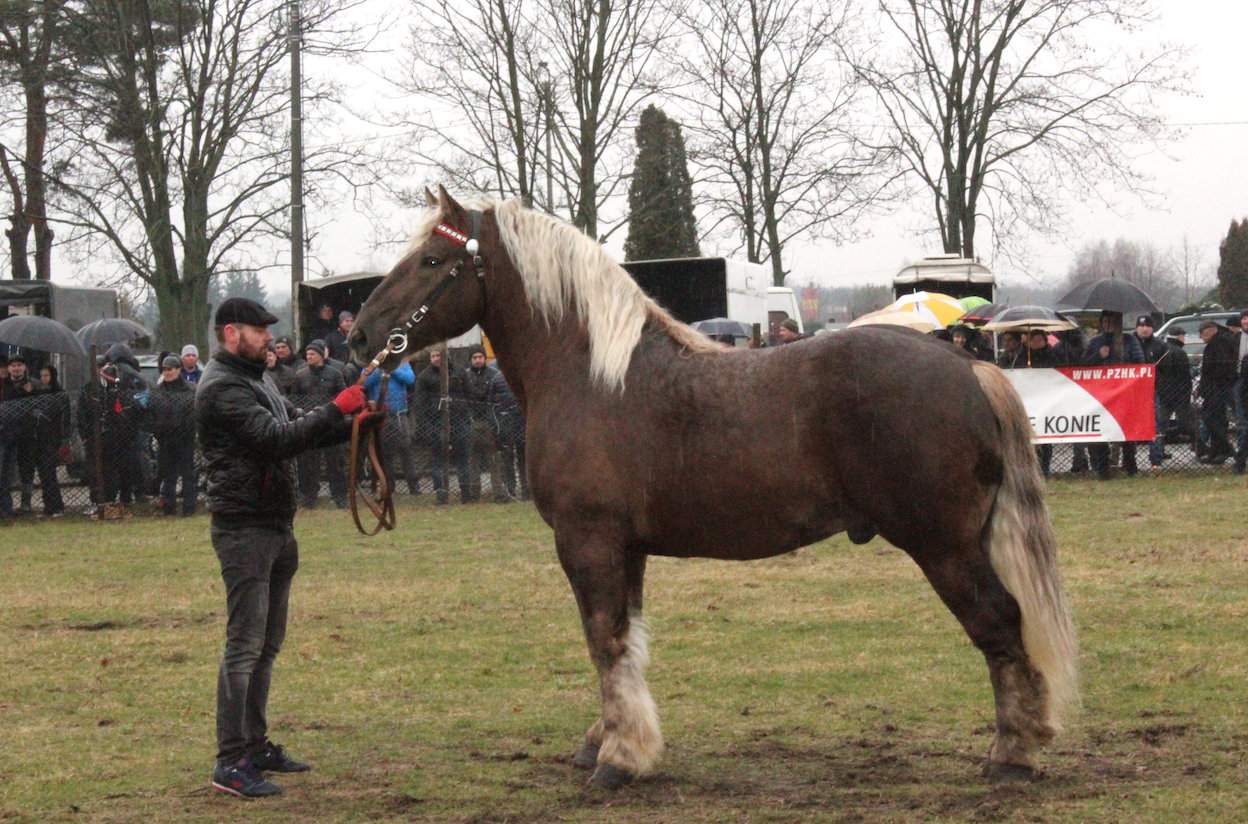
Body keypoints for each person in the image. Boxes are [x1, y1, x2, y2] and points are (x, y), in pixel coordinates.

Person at [197, 297, 379, 799]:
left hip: (274, 525)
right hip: (244, 530)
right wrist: (336, 408)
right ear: (232, 333)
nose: (269, 340)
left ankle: (254, 745)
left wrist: (355, 423)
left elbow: (299, 425)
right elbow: (276, 439)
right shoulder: (222, 389)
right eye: (259, 332)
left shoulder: (258, 379)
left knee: (266, 645)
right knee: (244, 646)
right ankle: (229, 760)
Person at [292, 340, 347, 508]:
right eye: (307, 354)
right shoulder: (300, 375)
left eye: (312, 354)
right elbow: (294, 399)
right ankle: (309, 497)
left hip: (331, 425)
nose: (309, 357)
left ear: (321, 355)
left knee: (335, 462)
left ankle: (339, 497)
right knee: (310, 464)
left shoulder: (335, 374)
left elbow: (343, 396)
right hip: (310, 423)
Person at [414, 349, 469, 504]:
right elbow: (419, 404)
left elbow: (468, 393)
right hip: (435, 423)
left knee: (462, 458)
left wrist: (464, 413)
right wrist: (426, 426)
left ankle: (466, 492)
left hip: (459, 420)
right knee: (438, 460)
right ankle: (441, 494)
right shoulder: (424, 376)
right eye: (434, 356)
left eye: (439, 355)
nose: (437, 358)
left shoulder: (459, 371)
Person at [149, 355, 198, 516]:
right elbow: (152, 415)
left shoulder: (191, 390)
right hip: (165, 439)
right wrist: (159, 432)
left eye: (170, 369)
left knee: (187, 474)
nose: (167, 372)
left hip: (185, 439)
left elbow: (194, 415)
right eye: (164, 369)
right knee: (168, 474)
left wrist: (186, 430)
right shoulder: (158, 391)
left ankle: (189, 508)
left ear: (178, 370)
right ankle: (168, 507)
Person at [362, 360, 420, 495]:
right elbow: (364, 383)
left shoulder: (401, 363)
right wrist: (378, 371)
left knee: (406, 449)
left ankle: (414, 487)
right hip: (380, 415)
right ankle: (388, 486)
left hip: (399, 414)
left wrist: (392, 369)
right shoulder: (371, 365)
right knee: (383, 452)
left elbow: (410, 379)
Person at [461, 346, 503, 501]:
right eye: (474, 357)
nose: (478, 360)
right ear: (470, 359)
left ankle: (498, 492)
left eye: (480, 357)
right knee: (472, 459)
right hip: (471, 421)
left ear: (485, 358)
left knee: (494, 459)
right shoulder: (465, 376)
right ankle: (474, 494)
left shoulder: (495, 375)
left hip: (490, 422)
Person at [1130, 315, 1170, 471]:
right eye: (1141, 326)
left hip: (1153, 391)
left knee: (1155, 425)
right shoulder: (1128, 343)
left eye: (1147, 326)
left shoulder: (1160, 346)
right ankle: (1129, 461)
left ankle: (1156, 460)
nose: (1144, 329)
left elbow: (1167, 369)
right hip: (1131, 391)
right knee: (1130, 425)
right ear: (1136, 327)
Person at [2, 353, 40, 515]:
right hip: (6, 433)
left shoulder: (33, 385)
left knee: (27, 468)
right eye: (13, 365)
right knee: (5, 469)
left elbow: (39, 406)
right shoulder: (4, 385)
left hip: (27, 433)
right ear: (9, 368)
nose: (16, 368)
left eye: (19, 365)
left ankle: (26, 503)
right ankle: (6, 506)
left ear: (24, 367)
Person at [1196, 320, 1237, 464]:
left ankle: (1225, 448)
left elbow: (1222, 365)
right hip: (1214, 387)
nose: (1201, 338)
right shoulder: (1220, 341)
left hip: (1217, 387)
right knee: (1215, 419)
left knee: (1211, 418)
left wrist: (1211, 382)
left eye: (1202, 334)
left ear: (1210, 330)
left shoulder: (1220, 343)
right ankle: (1216, 451)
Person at [1153, 326, 1194, 469]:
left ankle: (1158, 452)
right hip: (1179, 394)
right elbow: (1185, 376)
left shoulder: (1161, 350)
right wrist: (1187, 393)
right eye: (1183, 336)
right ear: (1179, 337)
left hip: (1162, 392)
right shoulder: (1180, 352)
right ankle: (1199, 447)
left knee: (1160, 425)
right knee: (1188, 423)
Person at [32, 365, 67, 517]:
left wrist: (63, 439)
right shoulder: (37, 395)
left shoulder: (59, 395)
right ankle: (49, 507)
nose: (43, 379)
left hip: (52, 440)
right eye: (41, 376)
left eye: (46, 375)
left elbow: (65, 420)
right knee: (44, 474)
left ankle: (56, 506)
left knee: (49, 474)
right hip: (39, 439)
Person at [489, 368, 528, 500]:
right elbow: (491, 403)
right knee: (512, 458)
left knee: (518, 457)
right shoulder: (497, 379)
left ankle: (520, 490)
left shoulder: (497, 378)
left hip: (515, 422)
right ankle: (518, 490)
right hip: (509, 423)